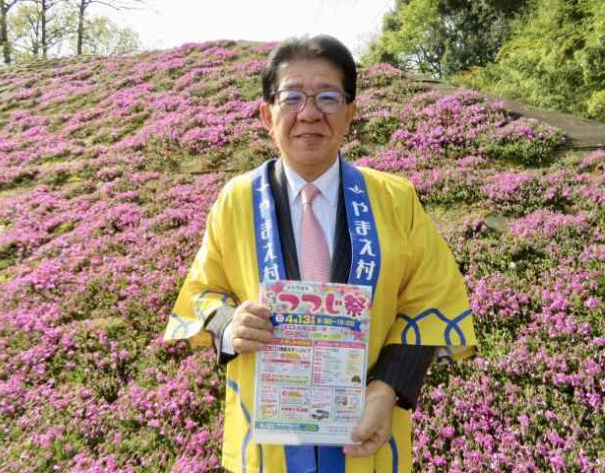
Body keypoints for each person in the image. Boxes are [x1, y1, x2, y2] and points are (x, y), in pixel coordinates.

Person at [164, 35, 477, 473]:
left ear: (350, 112)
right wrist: (230, 325)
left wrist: (387, 388)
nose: (309, 113)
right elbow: (200, 294)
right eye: (292, 97)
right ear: (267, 114)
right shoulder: (236, 201)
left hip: (366, 439)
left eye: (328, 97)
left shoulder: (396, 200)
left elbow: (432, 300)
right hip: (266, 447)